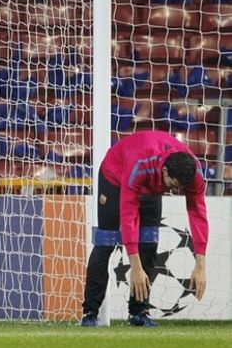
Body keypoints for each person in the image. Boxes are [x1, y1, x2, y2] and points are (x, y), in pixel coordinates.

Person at [81, 130, 208, 327]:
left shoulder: (194, 174)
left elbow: (198, 213)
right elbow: (128, 214)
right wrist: (135, 268)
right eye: (173, 186)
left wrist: (200, 265)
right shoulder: (140, 165)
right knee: (105, 243)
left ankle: (139, 313)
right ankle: (90, 313)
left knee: (149, 243)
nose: (176, 192)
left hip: (151, 186)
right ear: (165, 171)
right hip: (115, 178)